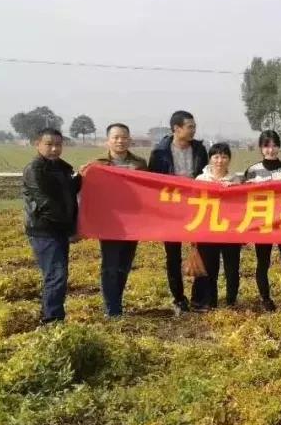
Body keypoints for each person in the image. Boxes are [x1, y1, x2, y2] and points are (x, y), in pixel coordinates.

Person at [82, 123, 147, 318]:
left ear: (130, 139)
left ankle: (116, 302)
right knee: (110, 265)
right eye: (116, 137)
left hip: (132, 222)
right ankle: (112, 309)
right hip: (109, 222)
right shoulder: (97, 165)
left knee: (125, 264)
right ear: (107, 141)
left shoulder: (140, 164)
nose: (120, 141)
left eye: (124, 137)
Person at [147, 110, 208, 315]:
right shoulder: (160, 153)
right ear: (176, 129)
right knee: (172, 255)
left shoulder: (200, 149)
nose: (193, 130)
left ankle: (199, 298)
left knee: (201, 251)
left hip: (196, 207)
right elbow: (152, 184)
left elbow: (205, 176)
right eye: (189, 126)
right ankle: (178, 298)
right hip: (170, 210)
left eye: (194, 126)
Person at [22, 128, 81, 325]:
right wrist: (71, 229)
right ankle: (53, 322)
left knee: (56, 274)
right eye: (49, 144)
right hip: (44, 230)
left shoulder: (63, 168)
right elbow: (47, 204)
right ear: (37, 144)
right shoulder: (35, 170)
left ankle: (50, 315)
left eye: (58, 144)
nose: (55, 149)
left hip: (58, 229)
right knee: (56, 275)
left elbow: (72, 191)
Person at [244, 130, 281, 311]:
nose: (270, 149)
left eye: (274, 145)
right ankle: (265, 298)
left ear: (279, 146)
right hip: (263, 222)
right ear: (261, 148)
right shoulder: (253, 171)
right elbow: (243, 196)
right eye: (266, 146)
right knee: (263, 262)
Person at [193, 143, 243, 310]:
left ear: (229, 159)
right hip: (208, 231)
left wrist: (235, 189)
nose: (220, 161)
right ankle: (209, 301)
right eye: (216, 156)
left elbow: (243, 204)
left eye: (224, 157)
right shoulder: (201, 180)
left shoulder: (236, 180)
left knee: (232, 268)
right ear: (210, 159)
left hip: (231, 231)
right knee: (209, 267)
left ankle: (231, 300)